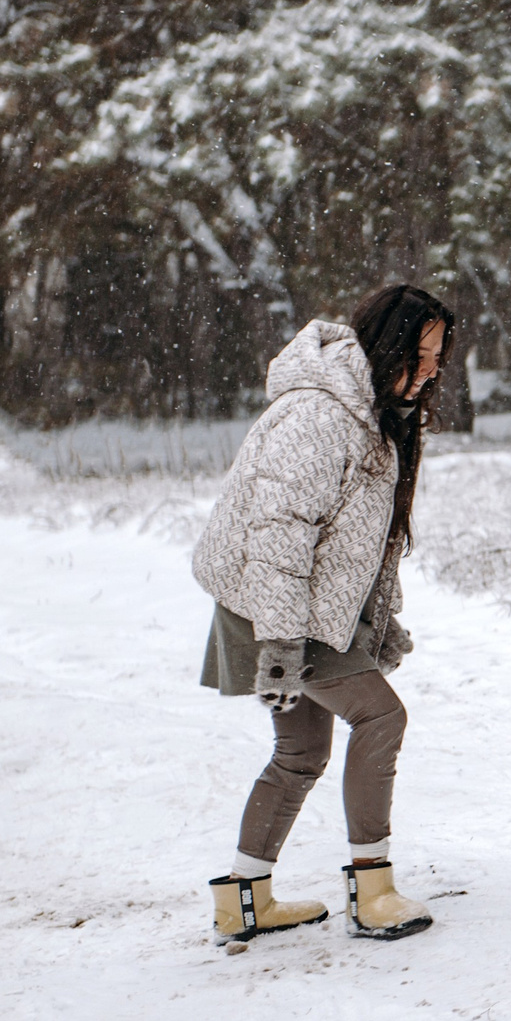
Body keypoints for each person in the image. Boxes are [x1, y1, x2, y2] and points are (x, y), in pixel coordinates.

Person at [190, 284, 454, 944]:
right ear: (386, 345)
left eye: (437, 357)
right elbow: (280, 533)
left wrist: (378, 623)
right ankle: (373, 890)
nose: (430, 371)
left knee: (302, 750)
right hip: (273, 605)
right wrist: (281, 644)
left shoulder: (373, 415)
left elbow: (365, 543)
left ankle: (246, 900)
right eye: (419, 355)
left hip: (294, 607)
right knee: (381, 717)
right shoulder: (317, 413)